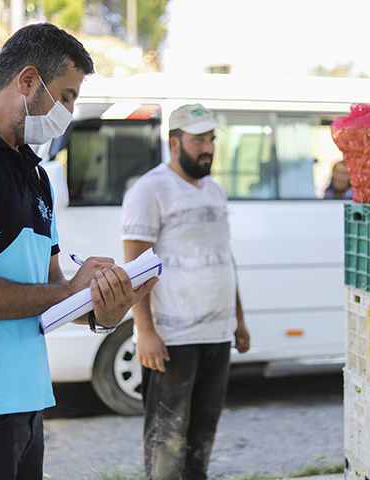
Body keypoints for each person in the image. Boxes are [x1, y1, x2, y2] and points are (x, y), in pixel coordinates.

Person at [0, 23, 156, 480]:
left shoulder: (34, 174)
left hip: (24, 398)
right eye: (66, 95)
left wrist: (104, 303)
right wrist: (69, 293)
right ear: (26, 81)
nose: (69, 110)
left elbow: (51, 286)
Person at [121, 104, 251, 480]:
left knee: (202, 439)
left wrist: (239, 321)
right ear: (175, 144)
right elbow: (135, 269)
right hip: (172, 339)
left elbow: (225, 258)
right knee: (168, 440)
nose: (207, 147)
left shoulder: (215, 191)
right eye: (199, 140)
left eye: (211, 139)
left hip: (216, 335)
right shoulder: (150, 190)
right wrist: (145, 331)